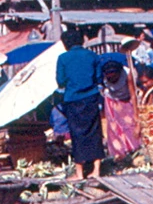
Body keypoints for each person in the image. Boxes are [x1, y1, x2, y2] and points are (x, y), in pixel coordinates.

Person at [56, 27, 104, 180]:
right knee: (94, 131)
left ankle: (79, 173)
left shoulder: (63, 58)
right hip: (91, 98)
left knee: (77, 134)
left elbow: (61, 81)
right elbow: (99, 78)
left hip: (73, 99)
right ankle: (96, 170)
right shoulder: (93, 56)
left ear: (65, 43)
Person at [100, 60, 140, 159]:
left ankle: (134, 149)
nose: (112, 78)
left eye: (114, 75)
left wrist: (136, 113)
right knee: (114, 127)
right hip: (112, 99)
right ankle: (119, 152)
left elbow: (133, 95)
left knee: (130, 125)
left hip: (127, 99)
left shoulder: (127, 75)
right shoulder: (104, 78)